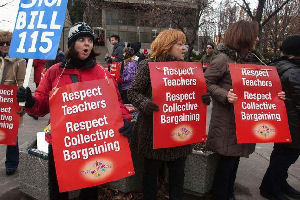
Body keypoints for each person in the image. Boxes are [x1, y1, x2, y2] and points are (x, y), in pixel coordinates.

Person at [16, 22, 132, 200]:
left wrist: (125, 119)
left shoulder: (102, 73)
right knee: (58, 191)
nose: (87, 44)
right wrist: (30, 100)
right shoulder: (55, 72)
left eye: (90, 40)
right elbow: (41, 106)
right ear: (71, 44)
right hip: (61, 144)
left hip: (91, 142)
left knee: (89, 191)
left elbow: (116, 103)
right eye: (81, 39)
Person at [204, 20, 285, 200]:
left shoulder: (254, 60)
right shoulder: (223, 59)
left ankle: (229, 193)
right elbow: (206, 82)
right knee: (227, 163)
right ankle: (220, 195)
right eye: (254, 34)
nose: (257, 38)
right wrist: (225, 95)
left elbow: (261, 86)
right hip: (227, 122)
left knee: (235, 161)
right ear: (244, 36)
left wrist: (275, 96)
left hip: (246, 121)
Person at [128, 29, 193, 200]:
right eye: (179, 44)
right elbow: (133, 92)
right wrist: (144, 103)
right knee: (151, 175)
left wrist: (201, 98)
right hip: (153, 133)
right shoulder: (148, 66)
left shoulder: (187, 68)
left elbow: (191, 94)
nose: (183, 48)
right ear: (167, 45)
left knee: (178, 175)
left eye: (183, 44)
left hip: (179, 133)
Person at [260, 35, 300, 200]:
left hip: (285, 123)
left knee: (280, 156)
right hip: (294, 124)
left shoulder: (280, 65)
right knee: (284, 158)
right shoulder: (294, 71)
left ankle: (279, 185)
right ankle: (271, 188)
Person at [0, 31, 26, 175]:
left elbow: (22, 82)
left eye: (8, 43)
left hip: (10, 102)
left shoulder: (20, 61)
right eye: (1, 43)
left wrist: (22, 103)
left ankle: (11, 162)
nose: (4, 46)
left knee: (11, 134)